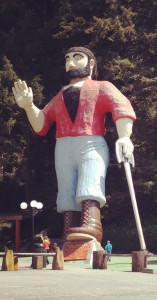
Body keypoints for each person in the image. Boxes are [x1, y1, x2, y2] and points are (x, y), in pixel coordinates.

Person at [12, 47, 136, 244]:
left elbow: (121, 107)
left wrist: (124, 136)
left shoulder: (101, 86)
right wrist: (29, 106)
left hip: (91, 141)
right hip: (63, 146)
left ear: (91, 63)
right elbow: (41, 124)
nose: (70, 62)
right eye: (67, 58)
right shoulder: (60, 95)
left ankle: (91, 223)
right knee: (66, 188)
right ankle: (69, 228)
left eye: (77, 58)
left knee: (90, 179)